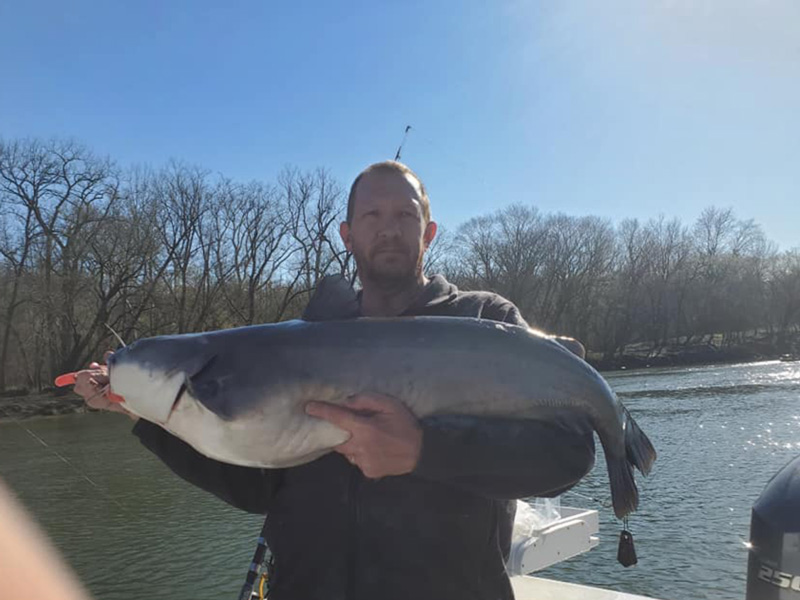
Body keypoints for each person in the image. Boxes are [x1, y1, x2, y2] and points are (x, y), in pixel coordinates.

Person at [74, 161, 595, 600]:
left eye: (404, 215)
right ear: (347, 234)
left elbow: (566, 452)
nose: (388, 228)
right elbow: (257, 486)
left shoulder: (485, 321)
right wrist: (142, 410)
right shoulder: (289, 352)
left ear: (429, 232)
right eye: (371, 215)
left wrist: (423, 449)